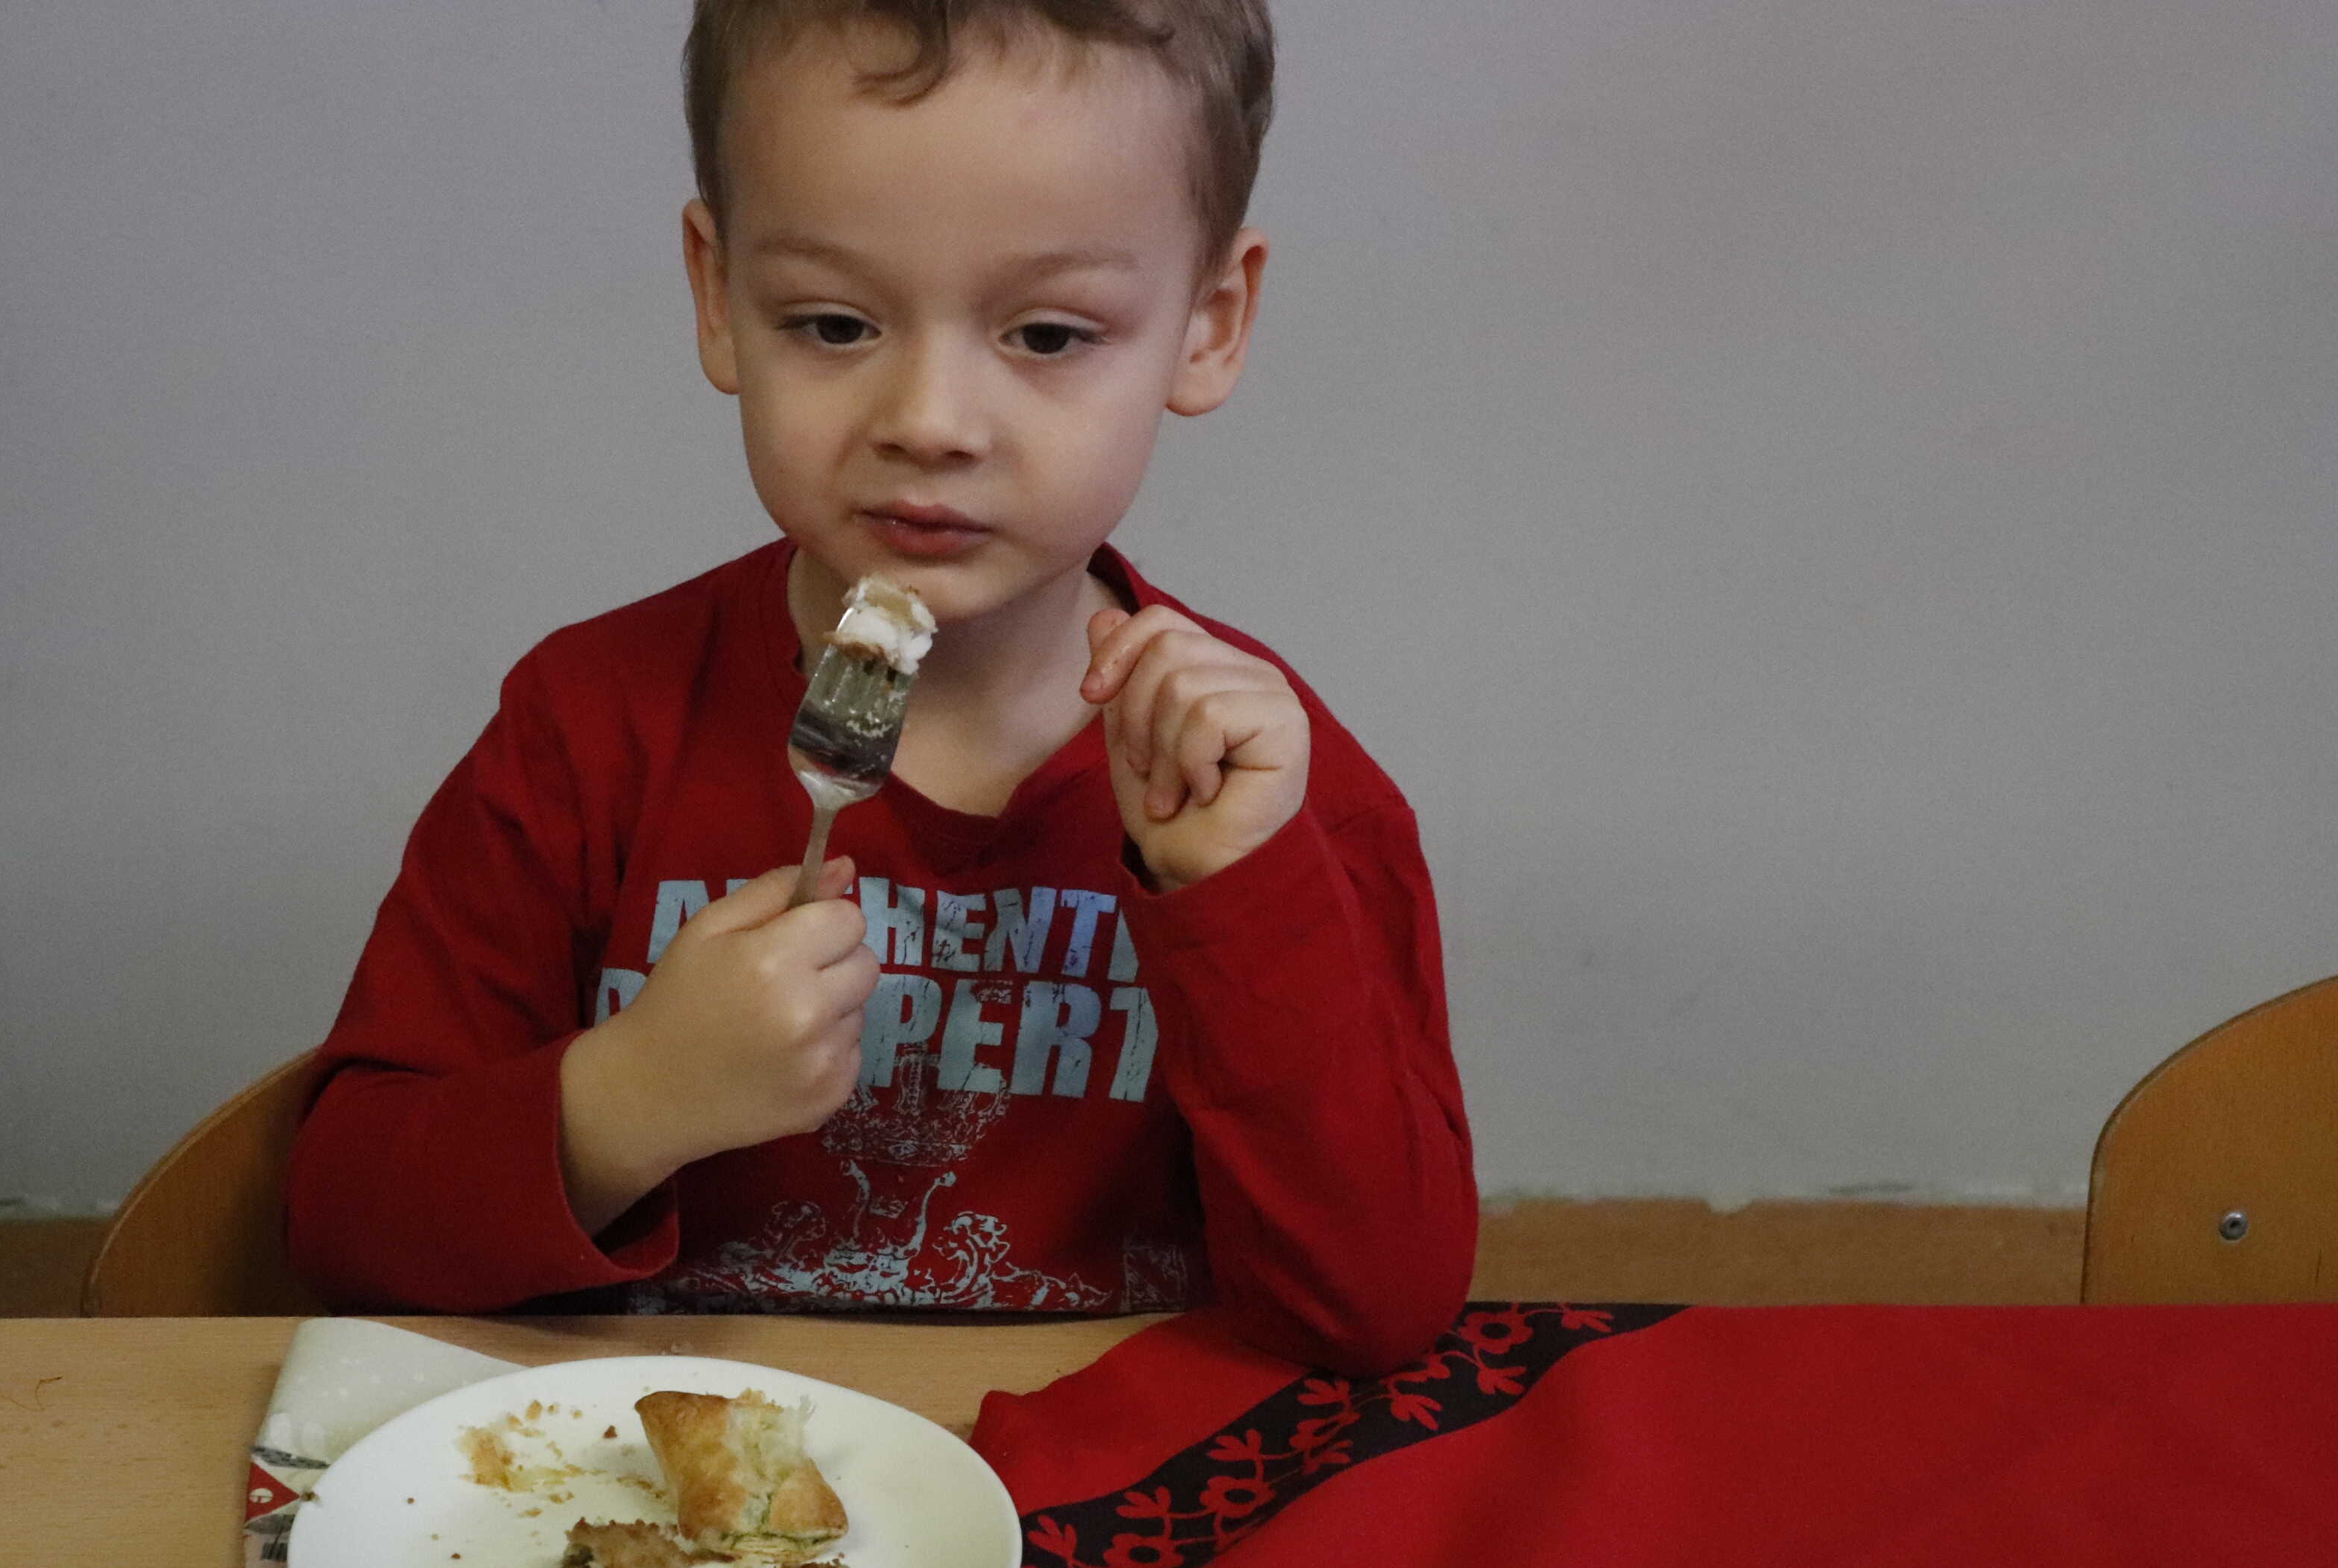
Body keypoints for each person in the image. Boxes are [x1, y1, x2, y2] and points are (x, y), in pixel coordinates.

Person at [285, 0, 1475, 1375]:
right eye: (836, 323)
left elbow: (1378, 1311)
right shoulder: (591, 729)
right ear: (717, 294)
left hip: (1096, 1464)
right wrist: (625, 1104)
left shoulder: (1270, 795)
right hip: (650, 1467)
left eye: (1048, 337)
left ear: (1209, 324)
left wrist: (1243, 903)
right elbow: (343, 1228)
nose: (927, 422)